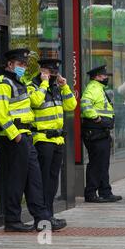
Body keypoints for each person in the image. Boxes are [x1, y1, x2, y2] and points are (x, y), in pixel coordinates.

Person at [0, 49, 64, 232]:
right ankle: (12, 220)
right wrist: (15, 135)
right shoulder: (3, 83)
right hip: (14, 138)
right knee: (17, 181)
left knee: (35, 180)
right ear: (10, 64)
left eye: (24, 65)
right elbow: (0, 114)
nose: (23, 68)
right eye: (20, 64)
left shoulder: (20, 82)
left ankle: (42, 219)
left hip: (26, 136)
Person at [27, 59, 76, 225]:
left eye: (54, 72)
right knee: (42, 180)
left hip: (58, 139)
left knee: (53, 180)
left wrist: (65, 86)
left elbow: (71, 105)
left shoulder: (56, 87)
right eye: (49, 71)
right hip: (42, 139)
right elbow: (35, 102)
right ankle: (42, 217)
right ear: (41, 70)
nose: (52, 75)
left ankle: (49, 214)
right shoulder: (33, 85)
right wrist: (44, 84)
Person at [81, 65, 122, 203]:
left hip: (101, 131)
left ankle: (105, 191)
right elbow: (85, 105)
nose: (106, 78)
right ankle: (91, 193)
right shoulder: (93, 88)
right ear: (96, 77)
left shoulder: (99, 89)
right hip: (95, 130)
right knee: (96, 163)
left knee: (103, 163)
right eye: (103, 75)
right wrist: (97, 118)